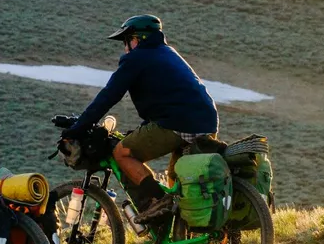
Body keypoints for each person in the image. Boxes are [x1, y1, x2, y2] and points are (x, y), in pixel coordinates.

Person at [62, 15, 219, 222]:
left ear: (136, 39)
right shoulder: (168, 53)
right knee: (177, 179)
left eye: (126, 41)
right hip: (206, 121)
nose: (125, 48)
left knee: (122, 153)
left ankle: (157, 201)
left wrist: (77, 128)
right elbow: (169, 97)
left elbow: (109, 96)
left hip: (178, 124)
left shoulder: (137, 58)